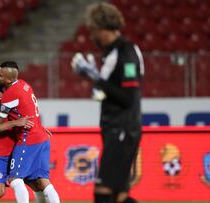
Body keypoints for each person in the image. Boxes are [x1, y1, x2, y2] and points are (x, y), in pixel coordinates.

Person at [71, 2, 144, 203]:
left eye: (93, 30)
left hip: (123, 130)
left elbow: (128, 98)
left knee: (102, 193)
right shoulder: (111, 54)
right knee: (118, 197)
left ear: (103, 28)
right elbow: (109, 92)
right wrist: (97, 83)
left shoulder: (126, 53)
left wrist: (97, 79)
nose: (92, 36)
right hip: (116, 130)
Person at [0, 61, 60, 203]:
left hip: (28, 139)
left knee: (14, 179)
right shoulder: (24, 84)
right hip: (42, 137)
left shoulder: (10, 95)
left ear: (9, 80)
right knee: (43, 182)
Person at [0, 68, 46, 203]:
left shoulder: (12, 94)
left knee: (37, 185)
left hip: (16, 150)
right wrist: (15, 123)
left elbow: (29, 114)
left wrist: (40, 128)